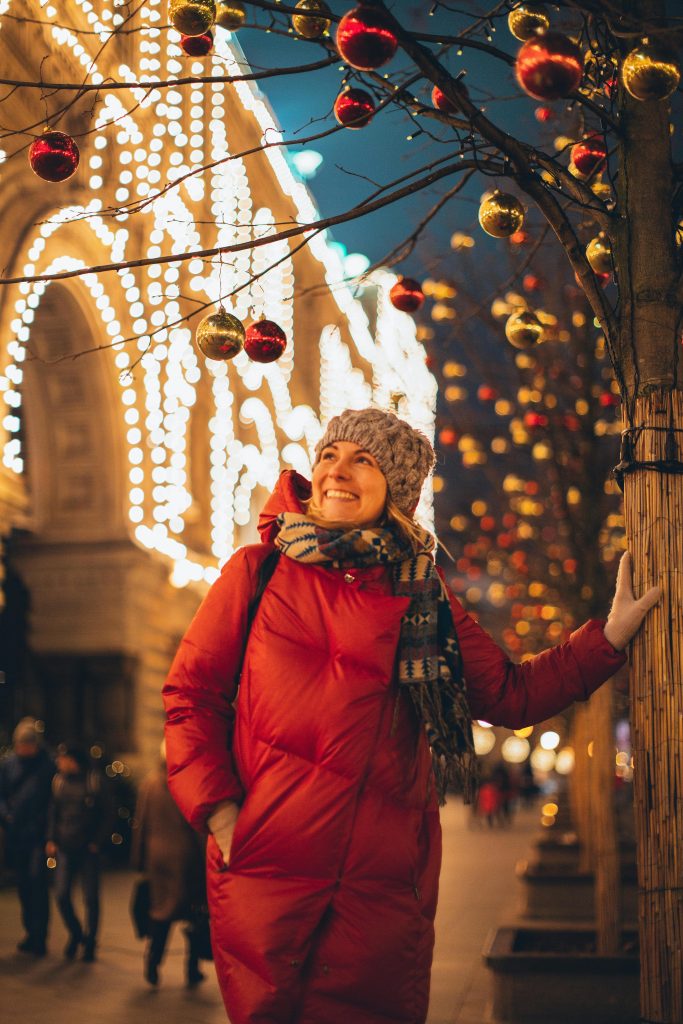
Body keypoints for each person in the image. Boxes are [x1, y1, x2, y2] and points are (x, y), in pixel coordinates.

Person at [163, 407, 660, 1024]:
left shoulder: (422, 591)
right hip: (268, 859)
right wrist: (220, 812)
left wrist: (607, 638)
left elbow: (510, 695)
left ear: (395, 490)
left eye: (362, 460)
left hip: (383, 877)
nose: (337, 470)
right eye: (329, 455)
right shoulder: (257, 571)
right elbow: (191, 696)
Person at [132, 741, 207, 988]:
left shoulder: (150, 784)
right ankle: (192, 969)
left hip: (157, 860)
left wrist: (139, 858)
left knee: (161, 913)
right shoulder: (190, 782)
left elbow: (140, 824)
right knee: (194, 916)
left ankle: (153, 961)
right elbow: (198, 826)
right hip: (187, 859)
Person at [46, 746, 107, 962]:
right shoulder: (59, 782)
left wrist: (97, 842)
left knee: (91, 898)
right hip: (64, 847)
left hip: (88, 850)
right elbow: (53, 811)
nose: (59, 762)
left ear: (73, 760)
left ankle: (90, 942)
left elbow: (107, 813)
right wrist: (51, 838)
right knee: (61, 894)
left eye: (63, 759)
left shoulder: (93, 781)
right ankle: (76, 933)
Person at [0, 717, 55, 956]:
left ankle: (40, 934)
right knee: (24, 884)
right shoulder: (9, 765)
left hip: (38, 835)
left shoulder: (47, 765)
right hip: (17, 834)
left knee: (37, 882)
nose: (24, 749)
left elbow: (53, 801)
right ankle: (30, 932)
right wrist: (7, 815)